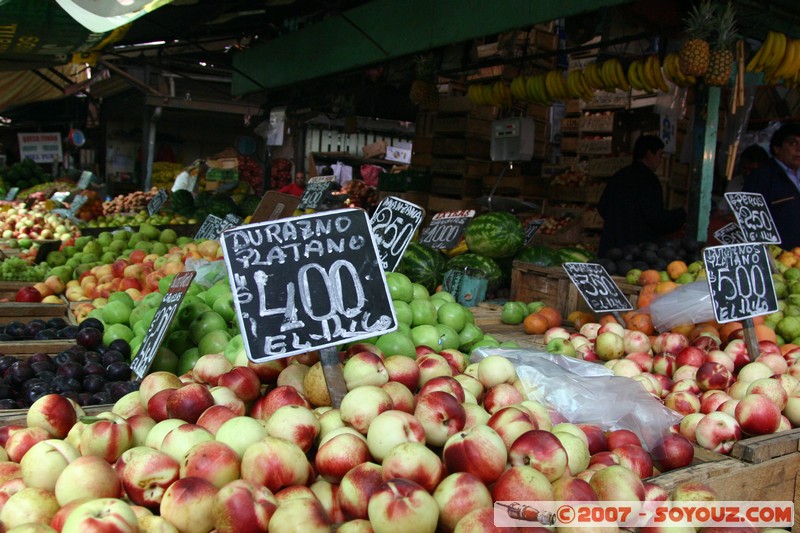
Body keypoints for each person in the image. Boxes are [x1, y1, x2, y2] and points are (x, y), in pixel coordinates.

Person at [598, 135, 686, 256]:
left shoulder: (619, 175)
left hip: (611, 249)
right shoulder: (649, 181)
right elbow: (656, 218)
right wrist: (681, 213)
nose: (660, 161)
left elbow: (602, 207)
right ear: (649, 154)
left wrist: (619, 222)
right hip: (637, 253)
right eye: (659, 155)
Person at [743, 123, 800, 249]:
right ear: (777, 147)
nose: (799, 149)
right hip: (779, 259)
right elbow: (752, 224)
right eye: (793, 143)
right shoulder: (761, 178)